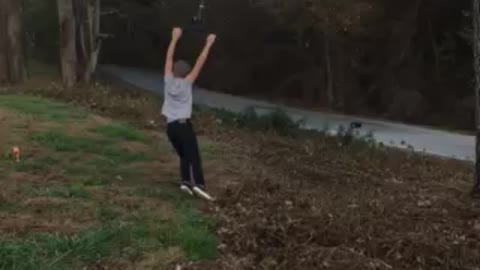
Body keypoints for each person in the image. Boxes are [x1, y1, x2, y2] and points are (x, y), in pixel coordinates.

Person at [161, 27, 216, 201]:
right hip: (184, 125)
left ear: (173, 71)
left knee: (183, 155)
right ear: (186, 73)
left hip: (170, 127)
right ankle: (199, 185)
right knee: (194, 156)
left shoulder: (168, 80)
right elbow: (201, 62)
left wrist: (174, 38)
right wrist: (208, 43)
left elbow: (168, 58)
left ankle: (185, 182)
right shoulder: (187, 83)